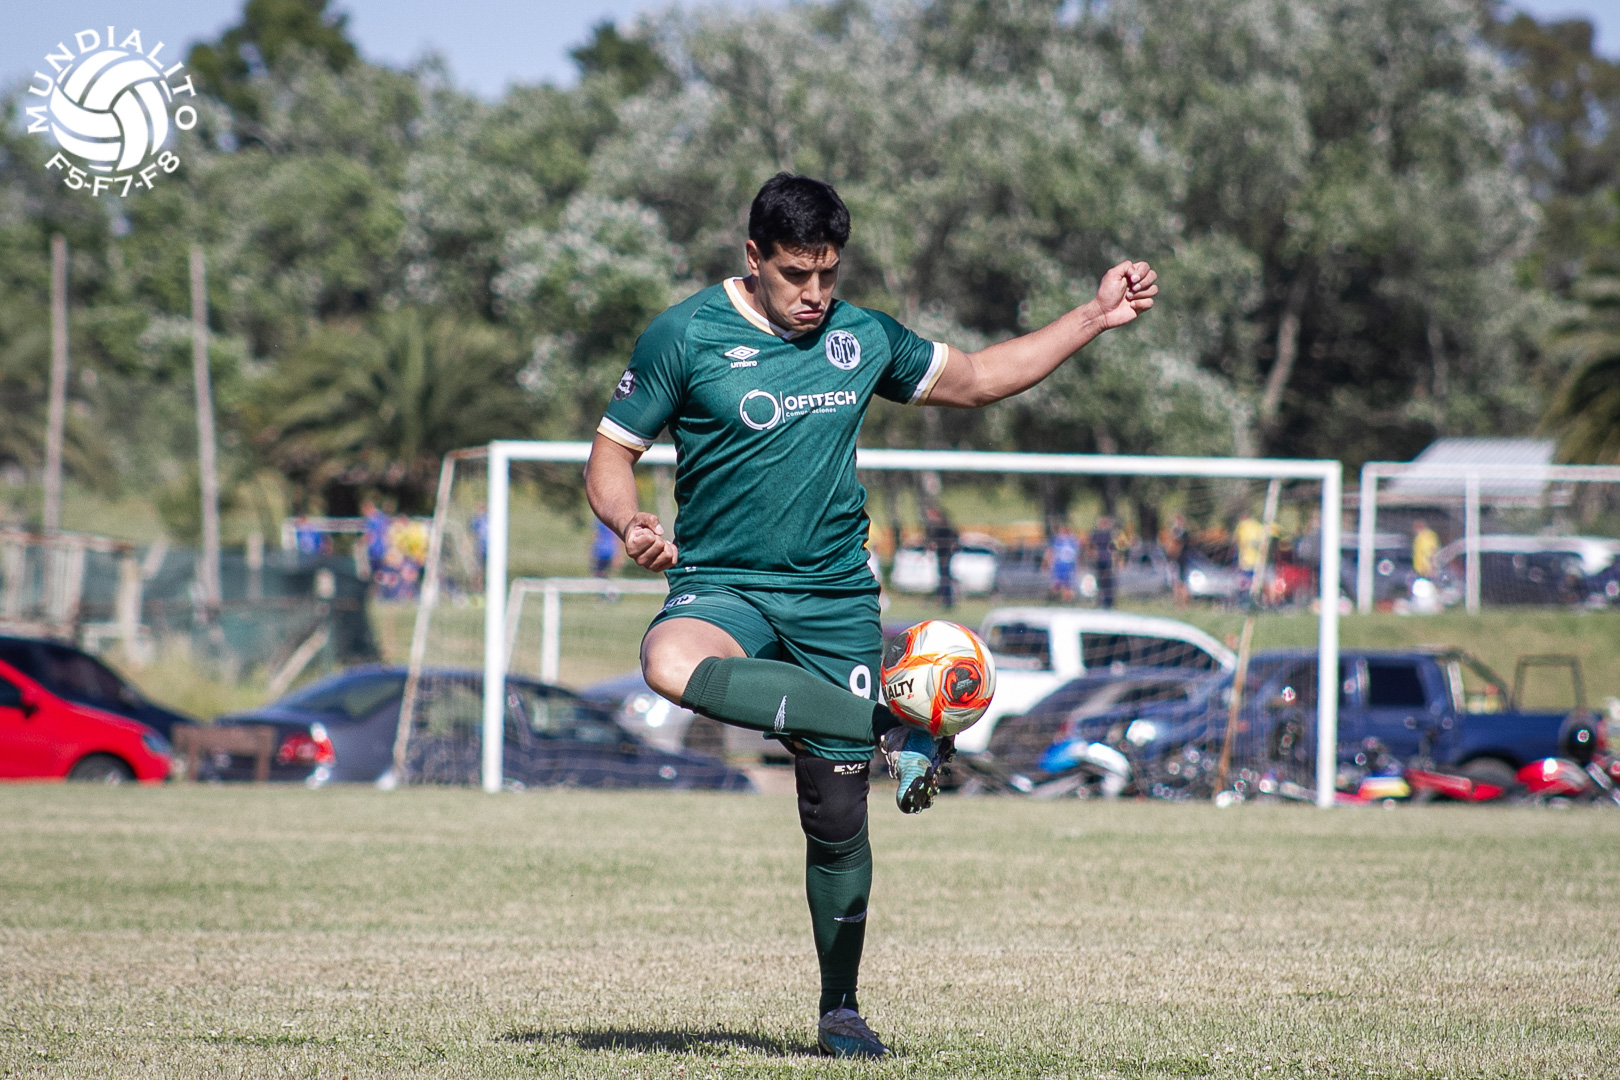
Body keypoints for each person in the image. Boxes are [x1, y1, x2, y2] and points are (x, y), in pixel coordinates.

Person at [582, 173, 1157, 1058]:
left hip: (835, 598)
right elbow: (610, 455)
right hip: (725, 585)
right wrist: (631, 523)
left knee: (836, 814)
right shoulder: (686, 335)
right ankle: (892, 721)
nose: (814, 293)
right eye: (794, 275)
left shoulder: (862, 337)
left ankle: (840, 1010)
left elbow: (977, 379)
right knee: (667, 663)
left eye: (828, 274)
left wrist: (1093, 316)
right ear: (753, 258)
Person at [922, 505, 958, 609]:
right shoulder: (937, 526)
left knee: (945, 577)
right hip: (941, 554)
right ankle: (944, 598)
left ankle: (947, 600)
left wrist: (951, 546)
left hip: (945, 555)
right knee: (943, 577)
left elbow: (953, 537)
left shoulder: (943, 526)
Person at [1045, 524, 1080, 601]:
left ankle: (1067, 600)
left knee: (1068, 585)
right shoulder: (1057, 540)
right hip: (1059, 566)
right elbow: (1050, 552)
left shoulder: (1072, 541)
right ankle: (1053, 598)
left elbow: (1075, 556)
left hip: (1068, 567)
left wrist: (1077, 567)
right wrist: (1049, 563)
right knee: (1057, 585)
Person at [1089, 516, 1116, 609]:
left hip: (1106, 559)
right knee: (1100, 580)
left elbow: (1111, 547)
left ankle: (1107, 602)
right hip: (1100, 559)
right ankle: (1101, 600)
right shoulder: (1097, 534)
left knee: (1106, 580)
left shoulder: (1108, 534)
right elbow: (1093, 546)